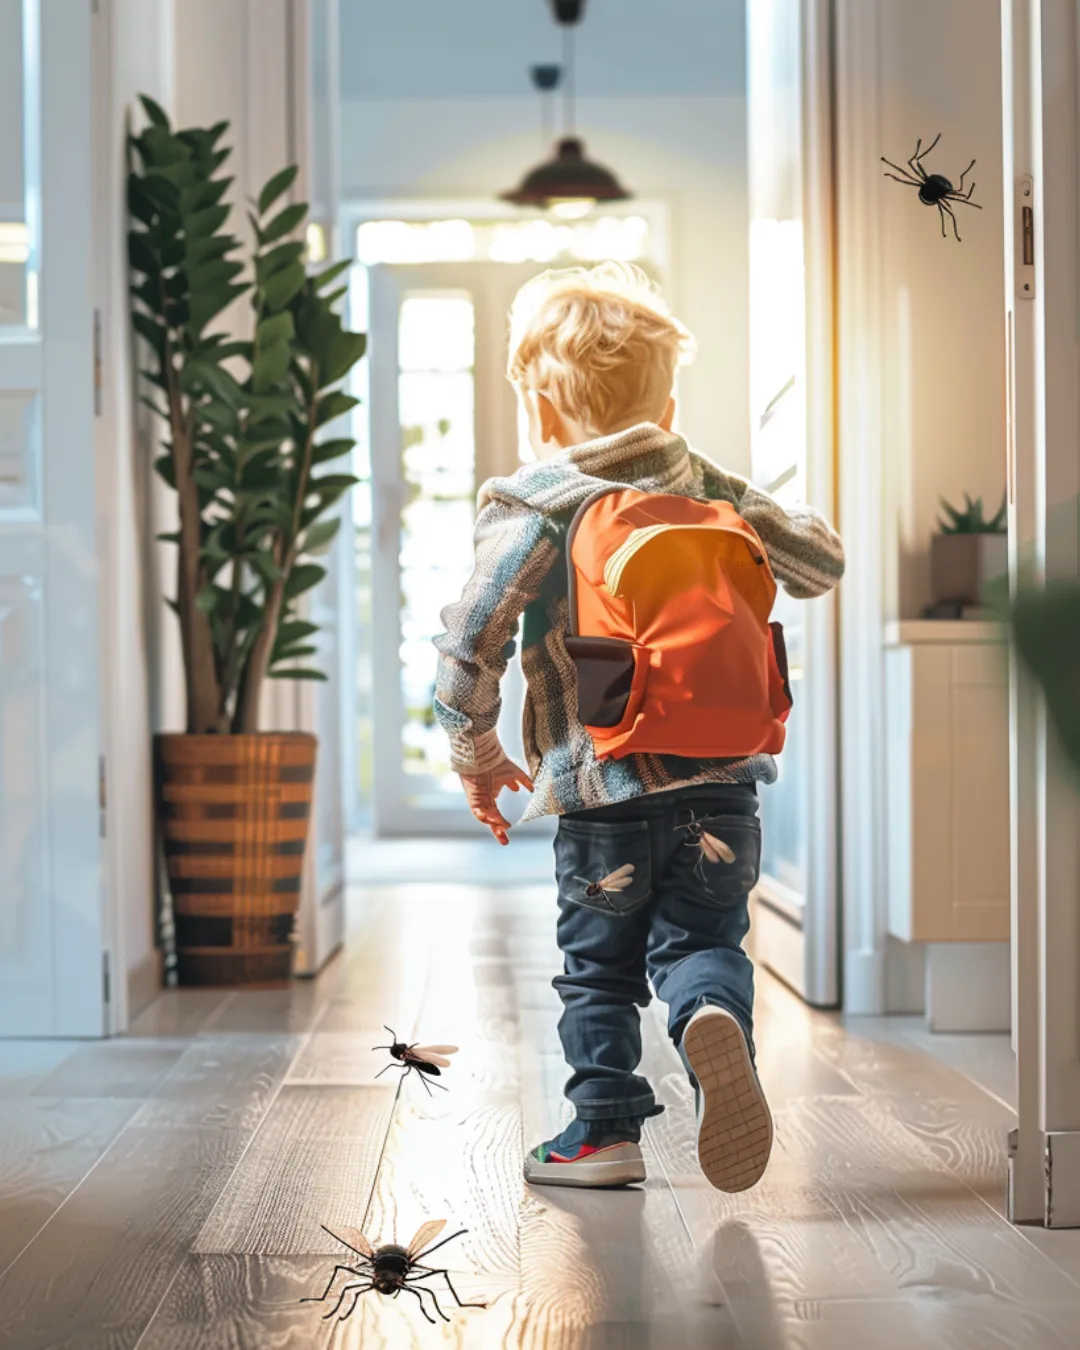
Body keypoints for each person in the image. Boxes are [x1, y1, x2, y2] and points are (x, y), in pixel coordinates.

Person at [433, 263, 844, 1191]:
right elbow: (821, 562)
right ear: (666, 395)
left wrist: (476, 747)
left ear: (541, 406)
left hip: (600, 790)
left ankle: (603, 1134)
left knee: (600, 970)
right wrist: (726, 493)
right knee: (705, 942)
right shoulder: (708, 485)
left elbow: (473, 636)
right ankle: (711, 1018)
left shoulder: (538, 500)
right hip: (724, 786)